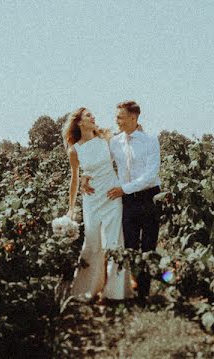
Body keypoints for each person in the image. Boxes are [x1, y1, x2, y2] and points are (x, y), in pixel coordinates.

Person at [82, 100, 161, 300]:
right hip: (126, 201)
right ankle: (134, 288)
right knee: (130, 246)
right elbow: (99, 161)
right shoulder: (115, 142)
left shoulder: (150, 141)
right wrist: (85, 175)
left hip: (149, 197)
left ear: (133, 118)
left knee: (149, 246)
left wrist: (124, 189)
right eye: (116, 117)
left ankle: (143, 293)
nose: (116, 121)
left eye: (120, 117)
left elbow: (151, 175)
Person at [62, 107, 134, 303]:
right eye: (88, 115)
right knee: (92, 243)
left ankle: (114, 293)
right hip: (92, 199)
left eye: (93, 114)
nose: (93, 117)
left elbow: (122, 158)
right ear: (79, 122)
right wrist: (70, 207)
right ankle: (87, 290)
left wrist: (125, 186)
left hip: (111, 194)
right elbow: (74, 179)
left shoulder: (106, 136)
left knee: (114, 242)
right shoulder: (74, 149)